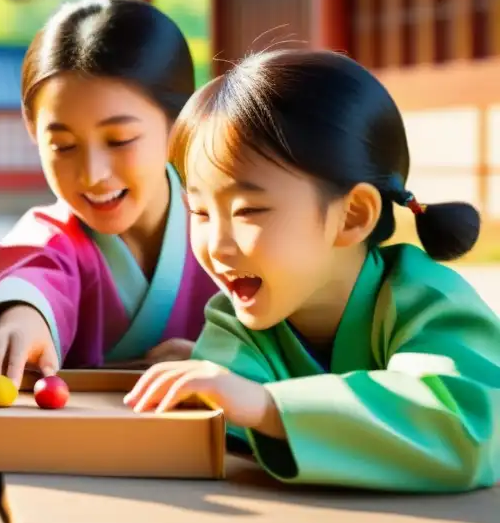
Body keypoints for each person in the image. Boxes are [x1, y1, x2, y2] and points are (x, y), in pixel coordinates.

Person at [124, 48, 500, 493]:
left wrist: (267, 406)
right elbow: (223, 413)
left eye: (248, 210)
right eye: (201, 212)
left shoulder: (430, 300)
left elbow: (465, 427)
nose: (216, 245)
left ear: (353, 215)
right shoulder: (236, 318)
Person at [0, 0, 219, 389]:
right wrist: (20, 323)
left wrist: (226, 362)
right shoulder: (47, 237)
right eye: (63, 146)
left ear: (178, 122)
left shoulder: (229, 225)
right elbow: (35, 278)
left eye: (120, 139)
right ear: (32, 130)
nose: (92, 175)